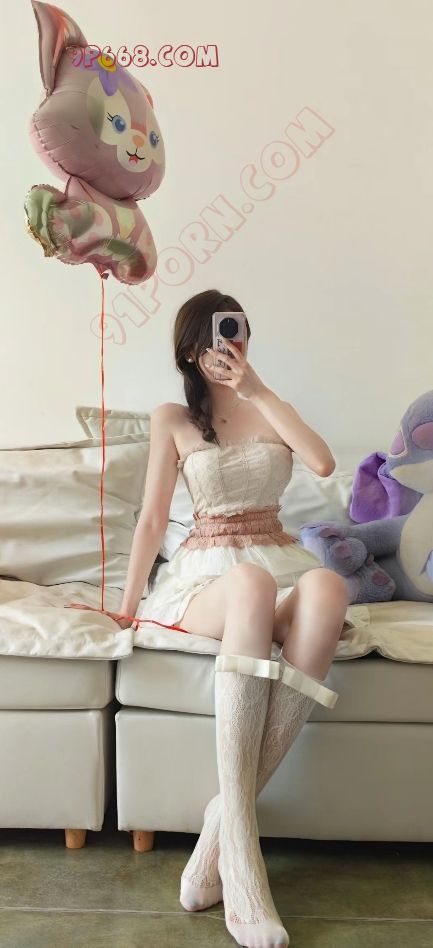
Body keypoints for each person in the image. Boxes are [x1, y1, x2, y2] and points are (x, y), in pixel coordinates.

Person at [115, 289, 349, 948]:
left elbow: (323, 462)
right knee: (248, 583)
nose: (229, 344)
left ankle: (221, 829)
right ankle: (243, 869)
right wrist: (127, 608)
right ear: (192, 350)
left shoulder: (269, 405)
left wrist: (258, 390)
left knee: (328, 587)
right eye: (217, 336)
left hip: (276, 556)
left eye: (238, 331)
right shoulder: (172, 418)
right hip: (208, 575)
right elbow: (153, 519)